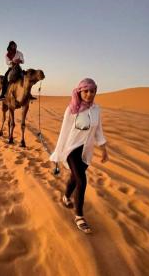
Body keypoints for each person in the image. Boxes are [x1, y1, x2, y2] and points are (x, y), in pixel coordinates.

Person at [50, 78, 108, 233]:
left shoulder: (96, 110)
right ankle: (79, 216)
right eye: (86, 91)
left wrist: (104, 149)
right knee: (82, 181)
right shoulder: (72, 109)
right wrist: (58, 153)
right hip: (71, 150)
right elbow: (64, 132)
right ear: (79, 91)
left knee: (75, 178)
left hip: (86, 151)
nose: (89, 94)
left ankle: (66, 197)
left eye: (92, 91)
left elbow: (98, 131)